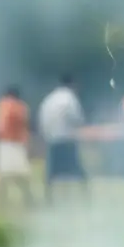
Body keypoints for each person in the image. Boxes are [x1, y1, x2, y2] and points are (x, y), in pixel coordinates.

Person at [38, 74, 87, 202]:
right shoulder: (69, 98)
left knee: (51, 174)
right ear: (72, 84)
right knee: (78, 172)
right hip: (66, 139)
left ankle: (49, 199)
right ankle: (85, 198)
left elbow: (42, 120)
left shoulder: (49, 99)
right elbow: (77, 118)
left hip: (52, 140)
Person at [0, 86, 33, 209]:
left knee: (5, 176)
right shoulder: (22, 107)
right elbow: (24, 128)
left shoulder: (3, 106)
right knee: (21, 176)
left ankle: (3, 203)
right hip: (18, 144)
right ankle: (28, 201)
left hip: (6, 144)